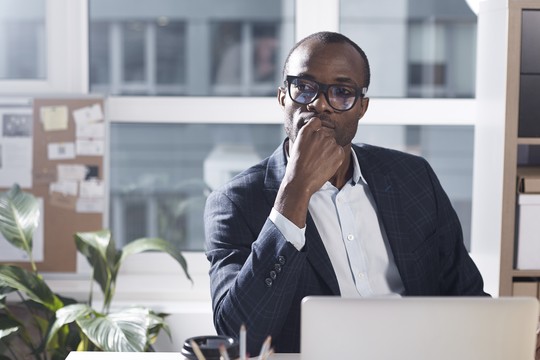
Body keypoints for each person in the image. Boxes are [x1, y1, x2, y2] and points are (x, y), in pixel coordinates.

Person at [204, 31, 488, 355]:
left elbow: (468, 297)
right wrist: (295, 192)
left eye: (341, 92)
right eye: (304, 87)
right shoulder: (234, 203)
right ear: (283, 96)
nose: (319, 104)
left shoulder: (414, 177)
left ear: (362, 107)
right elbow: (240, 338)